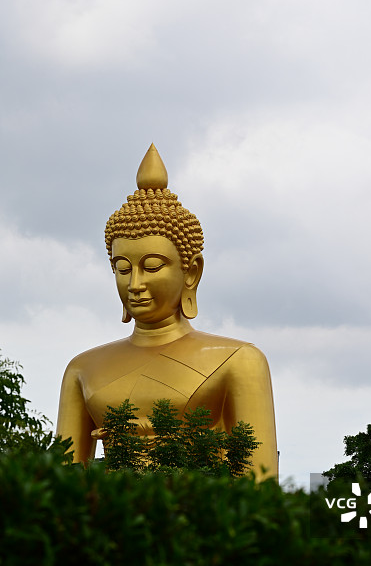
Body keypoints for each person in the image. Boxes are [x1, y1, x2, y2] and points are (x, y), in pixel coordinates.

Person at [56, 144, 278, 479]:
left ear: (191, 272)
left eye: (152, 266)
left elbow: (259, 482)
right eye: (122, 268)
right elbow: (62, 485)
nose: (135, 284)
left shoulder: (238, 360)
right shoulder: (82, 369)